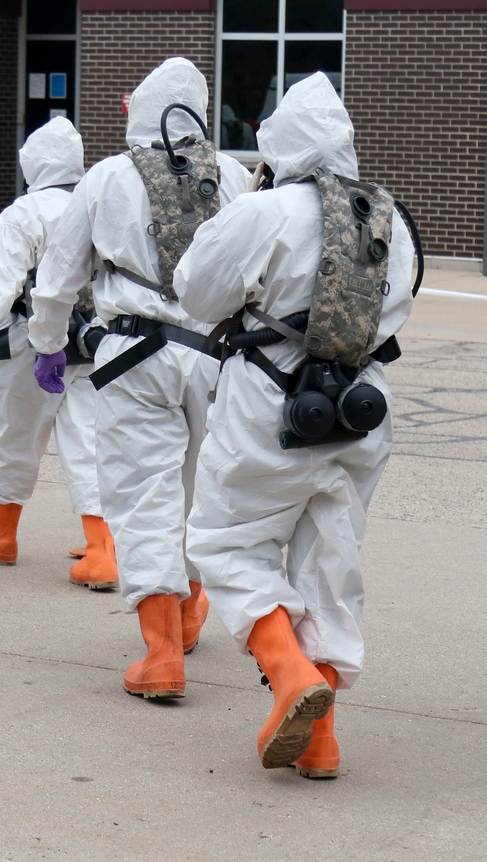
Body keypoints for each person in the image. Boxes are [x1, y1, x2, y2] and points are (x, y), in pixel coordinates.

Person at [174, 72, 415, 777]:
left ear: (275, 141)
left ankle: (290, 675)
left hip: (269, 402)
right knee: (331, 561)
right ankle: (321, 740)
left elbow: (197, 292)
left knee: (226, 540)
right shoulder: (389, 220)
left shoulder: (265, 211)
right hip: (363, 409)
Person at [28, 58, 249, 698]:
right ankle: (193, 607)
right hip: (219, 355)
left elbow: (60, 275)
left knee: (141, 491)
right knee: (209, 489)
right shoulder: (232, 174)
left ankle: (160, 654)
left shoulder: (106, 177)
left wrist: (47, 344)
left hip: (134, 358)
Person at [0, 116, 116, 588]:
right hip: (97, 341)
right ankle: (103, 549)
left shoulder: (24, 213)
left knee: (16, 435)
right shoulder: (101, 204)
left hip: (31, 341)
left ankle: (0, 532)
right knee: (90, 442)